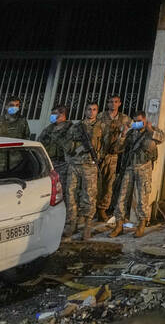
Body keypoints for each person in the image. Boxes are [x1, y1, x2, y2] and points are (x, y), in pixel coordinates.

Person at [109, 112, 164, 238]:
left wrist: (149, 129)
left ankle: (142, 224)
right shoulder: (131, 133)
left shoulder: (152, 131)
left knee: (142, 197)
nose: (137, 124)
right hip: (129, 168)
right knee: (122, 196)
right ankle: (119, 225)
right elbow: (118, 148)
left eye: (139, 121)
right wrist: (123, 134)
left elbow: (161, 138)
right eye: (135, 121)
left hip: (144, 168)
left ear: (145, 120)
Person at [63, 102, 103, 240]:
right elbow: (67, 145)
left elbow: (106, 144)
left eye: (94, 110)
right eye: (89, 109)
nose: (91, 112)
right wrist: (75, 151)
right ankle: (71, 224)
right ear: (85, 111)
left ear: (97, 112)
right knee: (71, 194)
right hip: (74, 164)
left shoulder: (101, 126)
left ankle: (87, 226)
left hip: (90, 166)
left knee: (89, 196)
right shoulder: (76, 126)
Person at [38, 104, 73, 235]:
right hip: (51, 165)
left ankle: (66, 221)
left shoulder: (70, 128)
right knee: (50, 193)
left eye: (56, 114)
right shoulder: (48, 129)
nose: (53, 116)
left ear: (63, 115)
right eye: (52, 113)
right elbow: (40, 142)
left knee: (63, 193)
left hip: (64, 164)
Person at [97, 94, 130, 220]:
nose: (113, 104)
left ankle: (102, 209)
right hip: (99, 154)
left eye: (116, 102)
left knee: (108, 184)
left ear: (120, 103)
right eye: (110, 102)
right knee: (94, 183)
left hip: (113, 156)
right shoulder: (100, 116)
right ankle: (91, 208)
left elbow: (131, 132)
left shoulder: (125, 119)